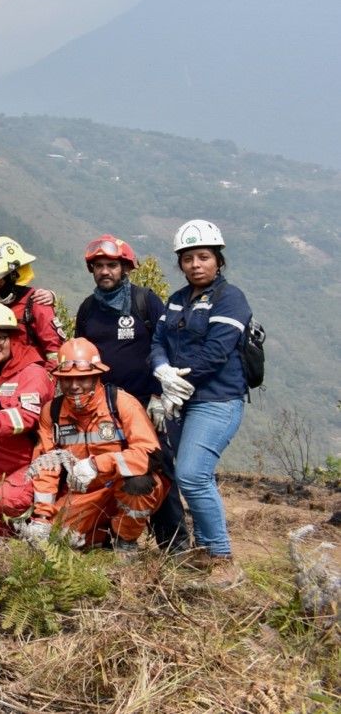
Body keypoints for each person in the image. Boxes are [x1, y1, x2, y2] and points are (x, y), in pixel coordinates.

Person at [150, 219, 252, 586]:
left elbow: (216, 353)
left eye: (204, 257)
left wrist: (178, 385)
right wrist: (162, 370)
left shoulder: (230, 298)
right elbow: (158, 340)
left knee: (192, 475)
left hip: (217, 400)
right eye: (188, 258)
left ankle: (221, 558)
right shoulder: (177, 299)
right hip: (182, 402)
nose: (195, 265)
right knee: (189, 474)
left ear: (218, 260)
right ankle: (205, 551)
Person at [74, 235, 188, 554]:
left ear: (125, 268)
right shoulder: (88, 309)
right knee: (107, 470)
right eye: (99, 266)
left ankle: (175, 547)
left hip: (146, 404)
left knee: (159, 468)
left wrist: (159, 396)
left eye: (112, 265)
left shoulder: (144, 301)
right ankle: (112, 540)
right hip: (103, 409)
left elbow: (167, 346)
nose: (105, 271)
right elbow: (80, 359)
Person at [25, 339, 166, 555]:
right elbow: (46, 466)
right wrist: (42, 517)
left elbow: (150, 454)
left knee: (139, 484)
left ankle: (125, 542)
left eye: (82, 378)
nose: (74, 386)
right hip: (83, 494)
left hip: (122, 487)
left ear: (96, 376)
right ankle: (103, 538)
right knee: (58, 539)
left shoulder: (121, 404)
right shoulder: (52, 412)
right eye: (67, 379)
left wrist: (96, 465)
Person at [0, 304, 54, 535]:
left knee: (3, 501)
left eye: (0, 337)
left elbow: (26, 418)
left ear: (14, 339)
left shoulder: (32, 373)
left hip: (26, 469)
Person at [0, 236, 65, 373]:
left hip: (29, 379)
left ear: (14, 274)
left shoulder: (36, 303)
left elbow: (54, 350)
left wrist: (46, 380)